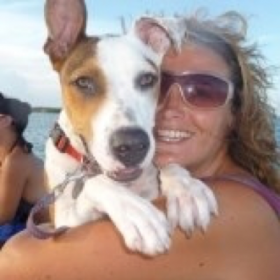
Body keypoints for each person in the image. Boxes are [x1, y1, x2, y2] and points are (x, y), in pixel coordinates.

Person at [0, 10, 280, 279]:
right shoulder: (188, 183)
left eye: (203, 90)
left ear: (238, 111)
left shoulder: (236, 213)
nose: (169, 107)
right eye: (157, 83)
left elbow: (14, 265)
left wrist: (96, 191)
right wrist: (169, 176)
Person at [0, 93, 47, 248]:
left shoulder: (16, 161)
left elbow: (4, 216)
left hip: (41, 233)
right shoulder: (7, 153)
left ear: (5, 120)